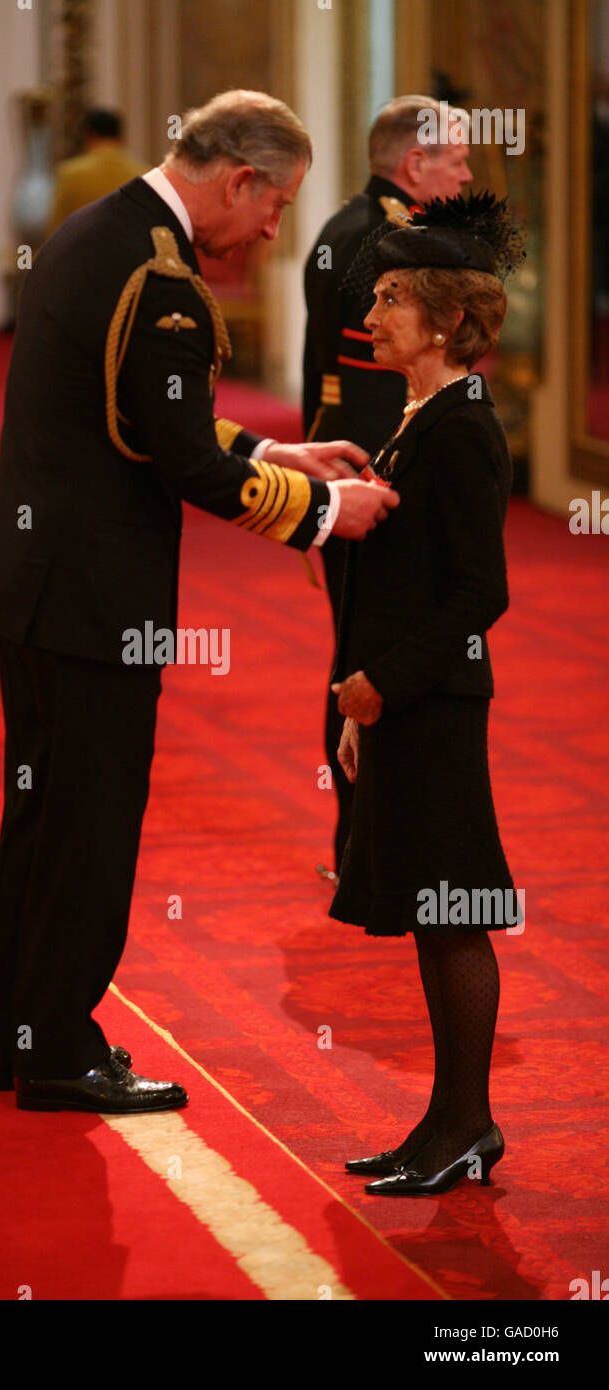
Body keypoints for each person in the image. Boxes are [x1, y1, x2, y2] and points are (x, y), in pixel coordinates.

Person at [0, 89, 398, 1116]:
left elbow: (152, 422)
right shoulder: (162, 278)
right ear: (238, 178)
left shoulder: (104, 228)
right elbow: (184, 467)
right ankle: (61, 1048)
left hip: (33, 586)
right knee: (89, 823)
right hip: (89, 602)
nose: (271, 228)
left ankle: (18, 1038)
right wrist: (325, 510)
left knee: (42, 819)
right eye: (276, 204)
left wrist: (272, 451)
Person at [327, 191, 526, 1195]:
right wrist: (360, 706)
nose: (371, 314)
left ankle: (463, 1124)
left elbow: (476, 591)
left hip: (436, 705)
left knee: (453, 906)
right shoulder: (417, 415)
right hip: (402, 707)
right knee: (428, 903)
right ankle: (444, 1123)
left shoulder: (460, 429)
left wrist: (381, 685)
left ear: (446, 317)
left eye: (393, 295)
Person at [302, 96, 474, 875]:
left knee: (365, 652)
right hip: (381, 489)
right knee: (369, 658)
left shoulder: (351, 228)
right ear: (416, 166)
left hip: (356, 480)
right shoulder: (383, 243)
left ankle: (362, 844)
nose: (469, 172)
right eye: (459, 160)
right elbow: (372, 395)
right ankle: (366, 846)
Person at [46, 108, 145, 235]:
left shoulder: (71, 173)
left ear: (88, 134)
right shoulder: (142, 173)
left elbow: (57, 229)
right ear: (120, 135)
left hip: (84, 250)